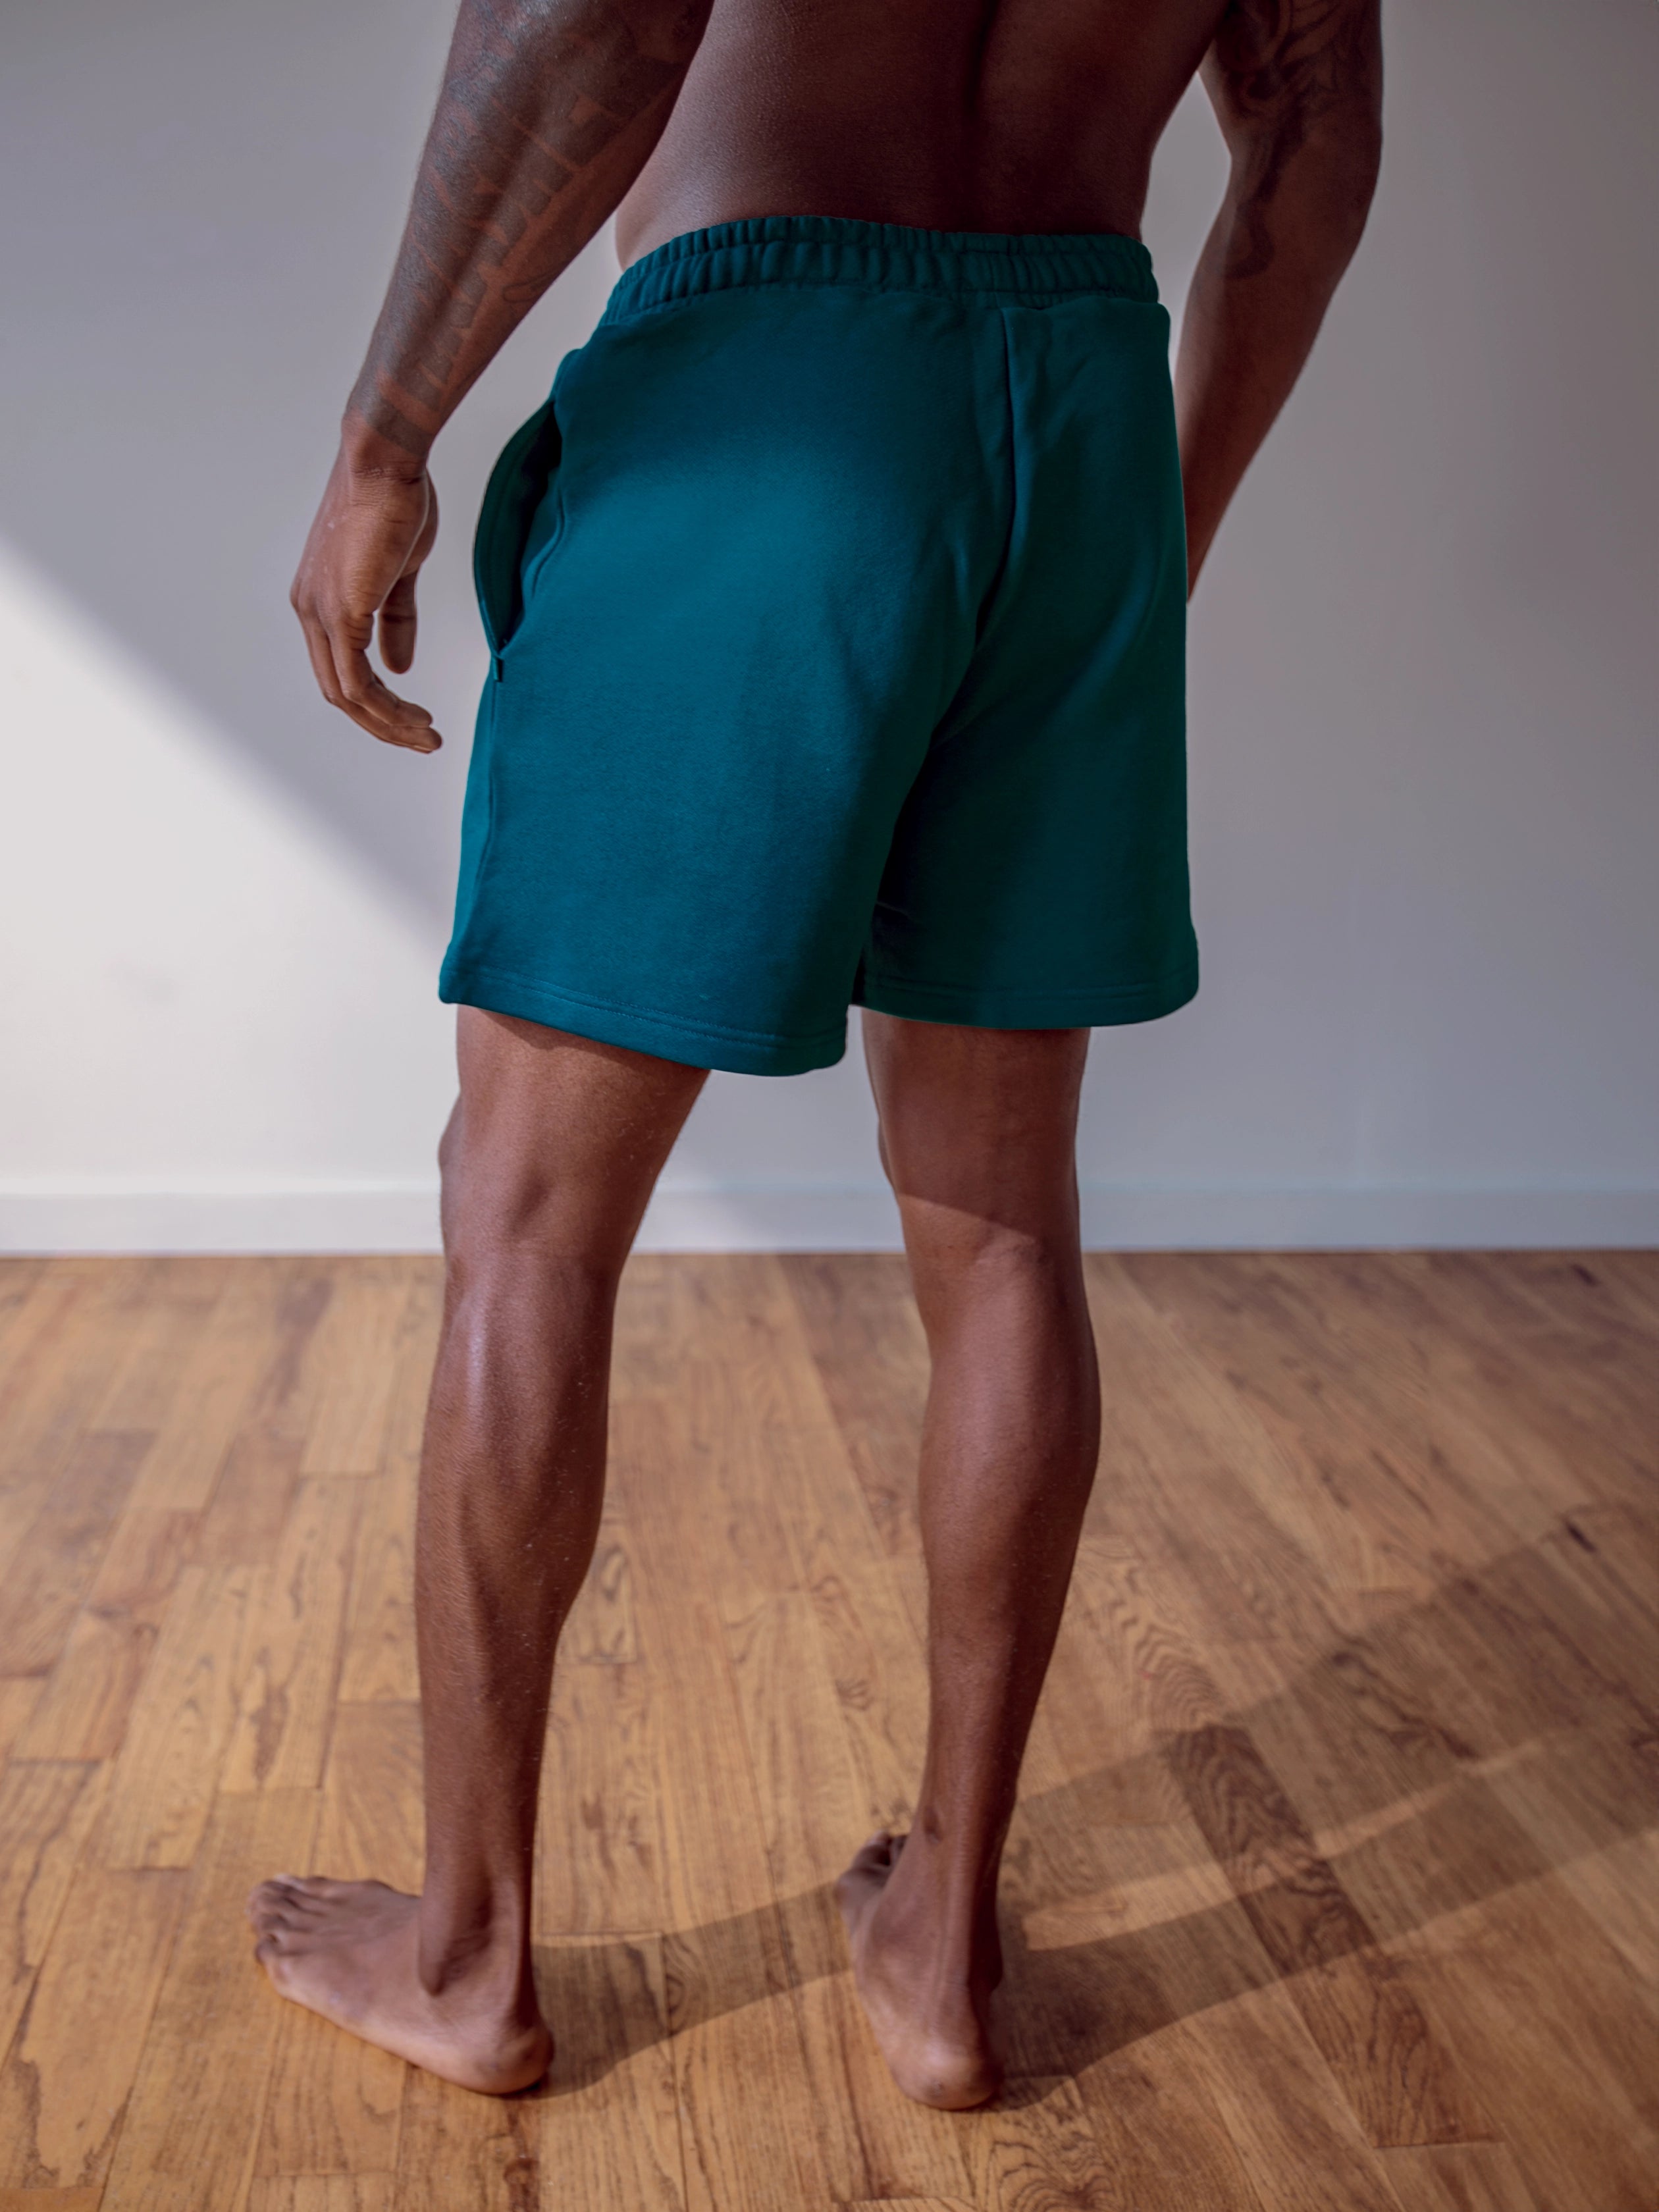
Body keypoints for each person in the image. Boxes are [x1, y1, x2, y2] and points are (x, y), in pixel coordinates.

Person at [250, 0, 1381, 2109]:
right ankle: (944, 1959)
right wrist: (1141, 523)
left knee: (526, 1215)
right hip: (1078, 392)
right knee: (1003, 1228)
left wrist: (388, 430)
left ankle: (473, 1961)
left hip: (767, 372)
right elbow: (1313, 137)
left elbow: (590, 18)